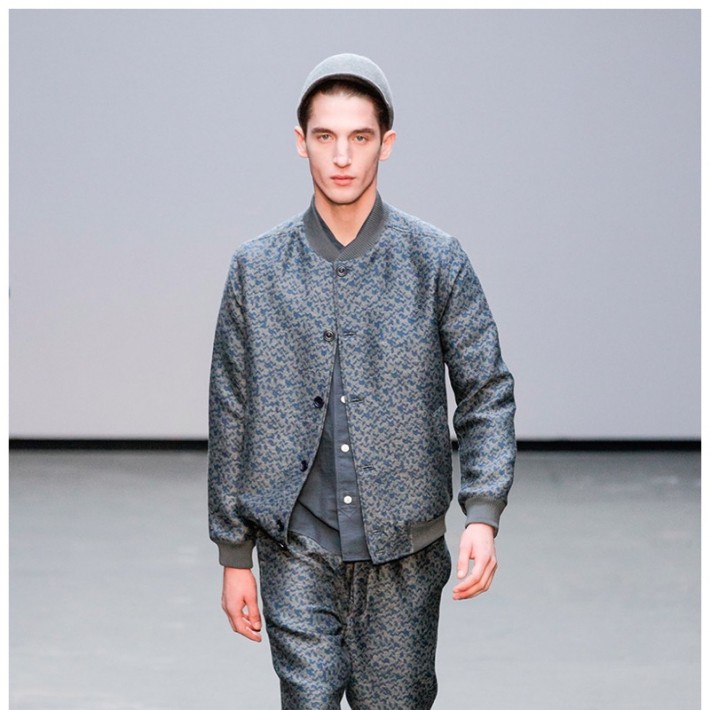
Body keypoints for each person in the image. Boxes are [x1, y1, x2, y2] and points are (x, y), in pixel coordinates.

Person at [208, 53, 516, 709]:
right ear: (301, 143)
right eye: (325, 136)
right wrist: (234, 555)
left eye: (360, 137)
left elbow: (485, 391)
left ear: (387, 143)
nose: (342, 156)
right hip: (295, 544)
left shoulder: (435, 260)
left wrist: (483, 512)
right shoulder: (257, 270)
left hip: (406, 552)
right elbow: (232, 410)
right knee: (308, 698)